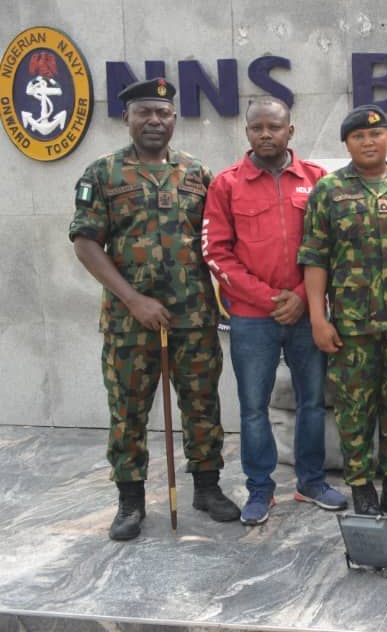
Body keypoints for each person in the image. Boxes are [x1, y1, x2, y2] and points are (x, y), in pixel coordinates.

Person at [69, 78, 240, 541]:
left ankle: (207, 487)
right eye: (144, 112)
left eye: (162, 113)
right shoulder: (102, 174)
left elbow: (217, 241)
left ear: (174, 120)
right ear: (126, 118)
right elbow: (86, 244)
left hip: (194, 318)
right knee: (128, 411)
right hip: (130, 323)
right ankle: (129, 502)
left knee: (203, 404)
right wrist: (134, 300)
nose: (154, 121)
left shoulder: (197, 174)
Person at [202, 97, 347, 526]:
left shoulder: (319, 181)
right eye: (257, 128)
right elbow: (216, 253)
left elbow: (333, 247)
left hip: (307, 313)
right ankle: (260, 490)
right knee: (252, 406)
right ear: (247, 133)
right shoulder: (226, 184)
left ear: (291, 131)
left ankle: (311, 481)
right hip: (251, 318)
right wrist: (269, 299)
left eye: (274, 127)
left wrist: (303, 296)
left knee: (312, 402)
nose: (266, 134)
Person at [298, 105, 387, 526]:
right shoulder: (328, 191)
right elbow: (314, 258)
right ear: (347, 144)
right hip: (352, 327)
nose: (368, 142)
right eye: (358, 137)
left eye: (376, 135)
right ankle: (361, 485)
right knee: (354, 409)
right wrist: (318, 317)